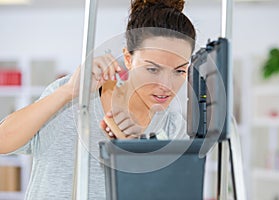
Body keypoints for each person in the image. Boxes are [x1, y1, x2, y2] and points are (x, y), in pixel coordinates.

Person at [0, 0, 196, 199]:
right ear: (128, 58)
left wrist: (131, 156)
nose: (166, 85)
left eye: (179, 71)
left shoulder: (172, 127)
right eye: (153, 69)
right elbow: (3, 141)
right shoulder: (72, 99)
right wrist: (68, 92)